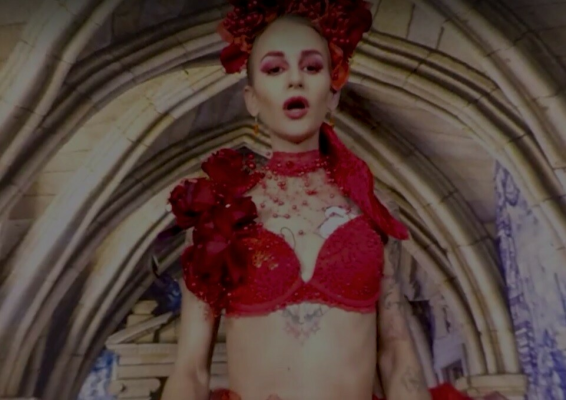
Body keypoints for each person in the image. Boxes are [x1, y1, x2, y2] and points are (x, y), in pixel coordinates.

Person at [160, 1, 481, 399]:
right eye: (275, 69)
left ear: (333, 94)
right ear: (251, 99)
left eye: (311, 67)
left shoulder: (370, 210)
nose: (295, 80)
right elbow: (191, 371)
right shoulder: (218, 217)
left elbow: (396, 355)